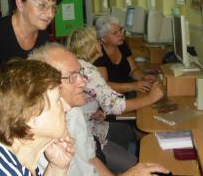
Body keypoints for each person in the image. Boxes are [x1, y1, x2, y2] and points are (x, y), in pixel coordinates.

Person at [28, 42, 169, 176]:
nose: (83, 81)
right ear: (47, 85)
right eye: (73, 77)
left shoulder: (74, 110)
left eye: (81, 73)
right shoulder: (42, 136)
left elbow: (90, 159)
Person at [66, 28, 164, 173]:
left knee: (126, 131)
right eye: (97, 41)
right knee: (135, 164)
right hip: (85, 137)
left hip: (90, 123)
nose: (100, 44)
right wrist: (151, 98)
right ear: (90, 46)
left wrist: (91, 112)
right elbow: (115, 106)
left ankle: (111, 164)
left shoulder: (80, 66)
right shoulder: (88, 70)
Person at [0, 58, 74, 175]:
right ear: (31, 116)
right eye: (57, 100)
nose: (67, 107)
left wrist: (57, 168)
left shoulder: (1, 160)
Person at [94, 15, 156, 99]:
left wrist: (143, 77)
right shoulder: (98, 53)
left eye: (120, 30)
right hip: (110, 99)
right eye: (115, 33)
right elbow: (104, 85)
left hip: (126, 92)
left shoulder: (122, 45)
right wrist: (133, 86)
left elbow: (133, 70)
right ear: (104, 39)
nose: (121, 34)